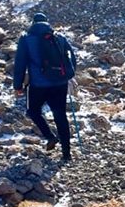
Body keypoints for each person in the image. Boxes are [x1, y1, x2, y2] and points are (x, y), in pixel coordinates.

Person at [13, 13, 77, 162]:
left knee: (33, 111)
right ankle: (66, 153)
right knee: (60, 115)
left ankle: (50, 137)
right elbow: (71, 57)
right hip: (60, 83)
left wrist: (18, 85)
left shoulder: (26, 39)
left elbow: (20, 64)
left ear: (32, 23)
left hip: (38, 85)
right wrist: (69, 75)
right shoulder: (59, 38)